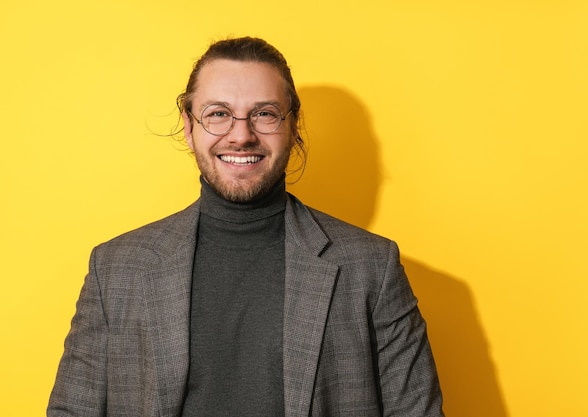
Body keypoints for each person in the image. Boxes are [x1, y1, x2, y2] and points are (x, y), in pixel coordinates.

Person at [48, 36, 444, 417]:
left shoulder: (372, 266)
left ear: (293, 126)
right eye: (218, 113)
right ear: (189, 126)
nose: (241, 135)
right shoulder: (115, 268)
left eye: (264, 114)